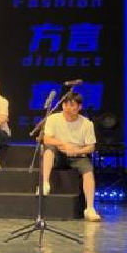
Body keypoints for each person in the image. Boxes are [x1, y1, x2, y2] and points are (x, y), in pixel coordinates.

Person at [40, 92, 100, 221]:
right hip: (59, 152)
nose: (67, 108)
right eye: (65, 104)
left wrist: (77, 151)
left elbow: (91, 147)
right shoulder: (53, 118)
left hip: (78, 154)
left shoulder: (87, 123)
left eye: (72, 105)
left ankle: (90, 208)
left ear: (79, 107)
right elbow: (46, 139)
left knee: (88, 170)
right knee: (48, 150)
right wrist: (64, 145)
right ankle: (45, 184)